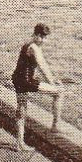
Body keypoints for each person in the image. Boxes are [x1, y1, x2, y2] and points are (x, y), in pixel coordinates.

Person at [10, 23, 63, 151]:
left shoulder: (27, 44)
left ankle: (19, 143)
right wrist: (52, 83)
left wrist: (52, 80)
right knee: (58, 93)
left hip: (18, 79)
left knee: (21, 109)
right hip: (26, 81)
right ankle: (55, 126)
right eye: (42, 37)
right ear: (36, 35)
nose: (44, 40)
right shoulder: (34, 47)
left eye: (45, 38)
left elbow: (39, 65)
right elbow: (42, 66)